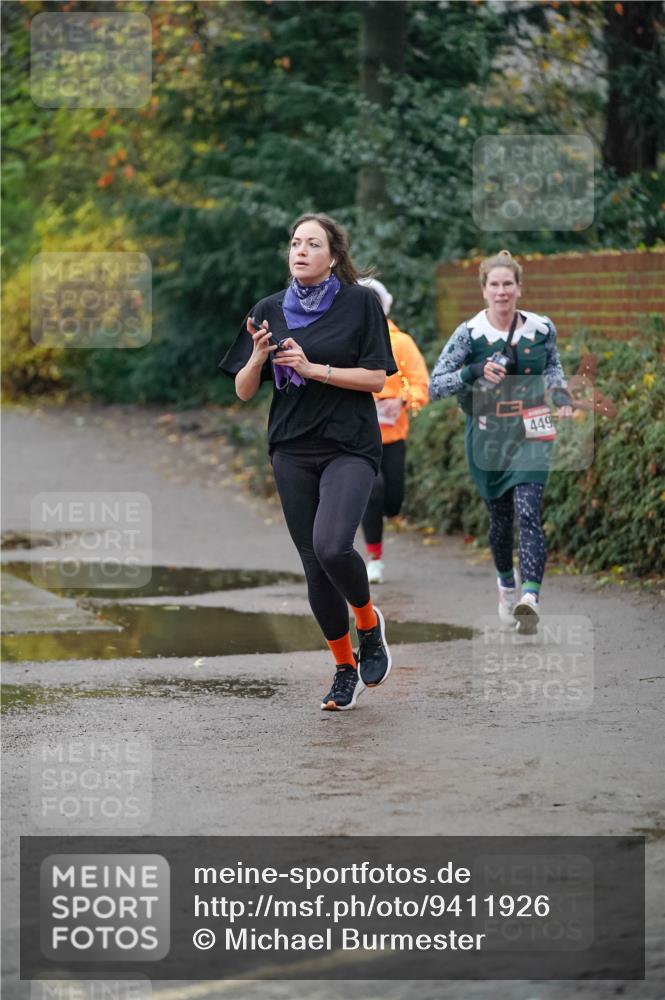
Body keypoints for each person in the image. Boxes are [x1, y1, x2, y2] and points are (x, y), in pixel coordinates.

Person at [219, 213, 396, 710]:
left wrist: (313, 368)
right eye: (296, 243)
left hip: (349, 444)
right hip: (291, 448)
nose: (300, 251)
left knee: (332, 546)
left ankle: (369, 626)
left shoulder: (360, 303)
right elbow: (243, 390)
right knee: (314, 565)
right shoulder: (268, 310)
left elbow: (376, 378)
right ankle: (344, 669)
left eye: (312, 244)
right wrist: (258, 357)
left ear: (333, 257)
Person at [429, 250, 573, 633]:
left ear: (519, 288)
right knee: (501, 520)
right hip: (488, 434)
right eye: (494, 284)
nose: (502, 291)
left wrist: (560, 394)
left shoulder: (542, 328)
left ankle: (531, 597)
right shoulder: (470, 333)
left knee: (528, 511)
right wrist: (474, 370)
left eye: (508, 283)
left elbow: (553, 365)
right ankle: (507, 585)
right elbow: (435, 385)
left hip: (533, 426)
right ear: (484, 290)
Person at [358, 279, 430, 584]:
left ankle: (381, 513)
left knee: (393, 500)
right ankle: (374, 558)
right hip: (357, 439)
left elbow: (421, 385)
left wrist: (401, 399)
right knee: (372, 491)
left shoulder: (400, 343)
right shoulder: (346, 342)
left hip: (393, 436)